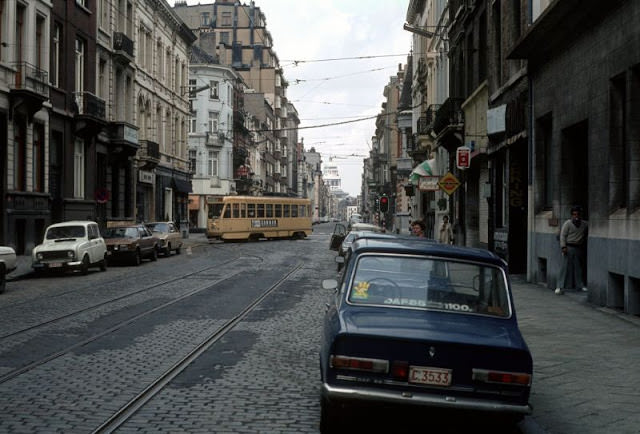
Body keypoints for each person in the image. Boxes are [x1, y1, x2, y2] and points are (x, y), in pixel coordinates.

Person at [555, 206, 588, 295]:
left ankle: (580, 285)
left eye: (577, 214)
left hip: (578, 247)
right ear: (571, 215)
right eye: (574, 214)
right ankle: (559, 286)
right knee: (564, 267)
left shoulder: (584, 224)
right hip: (568, 246)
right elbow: (563, 235)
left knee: (578, 267)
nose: (576, 216)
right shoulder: (568, 224)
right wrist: (563, 247)